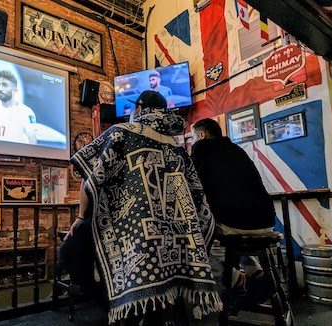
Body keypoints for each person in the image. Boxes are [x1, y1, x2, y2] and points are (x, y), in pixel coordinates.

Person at [65, 91, 221, 325]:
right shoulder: (175, 144)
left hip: (133, 232)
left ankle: (117, 303)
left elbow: (89, 180)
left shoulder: (120, 133)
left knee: (70, 250)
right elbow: (197, 196)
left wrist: (80, 217)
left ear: (139, 109)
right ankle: (155, 308)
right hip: (178, 235)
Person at [190, 118, 276, 289]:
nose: (192, 142)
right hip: (266, 222)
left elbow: (192, 188)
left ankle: (233, 278)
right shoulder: (237, 149)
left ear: (201, 135)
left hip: (237, 226)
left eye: (192, 138)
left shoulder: (200, 149)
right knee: (227, 228)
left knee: (189, 241)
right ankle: (254, 271)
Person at [0, 70, 37, 144]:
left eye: (4, 85)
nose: (0, 89)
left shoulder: (26, 112)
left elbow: (32, 141)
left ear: (14, 91)